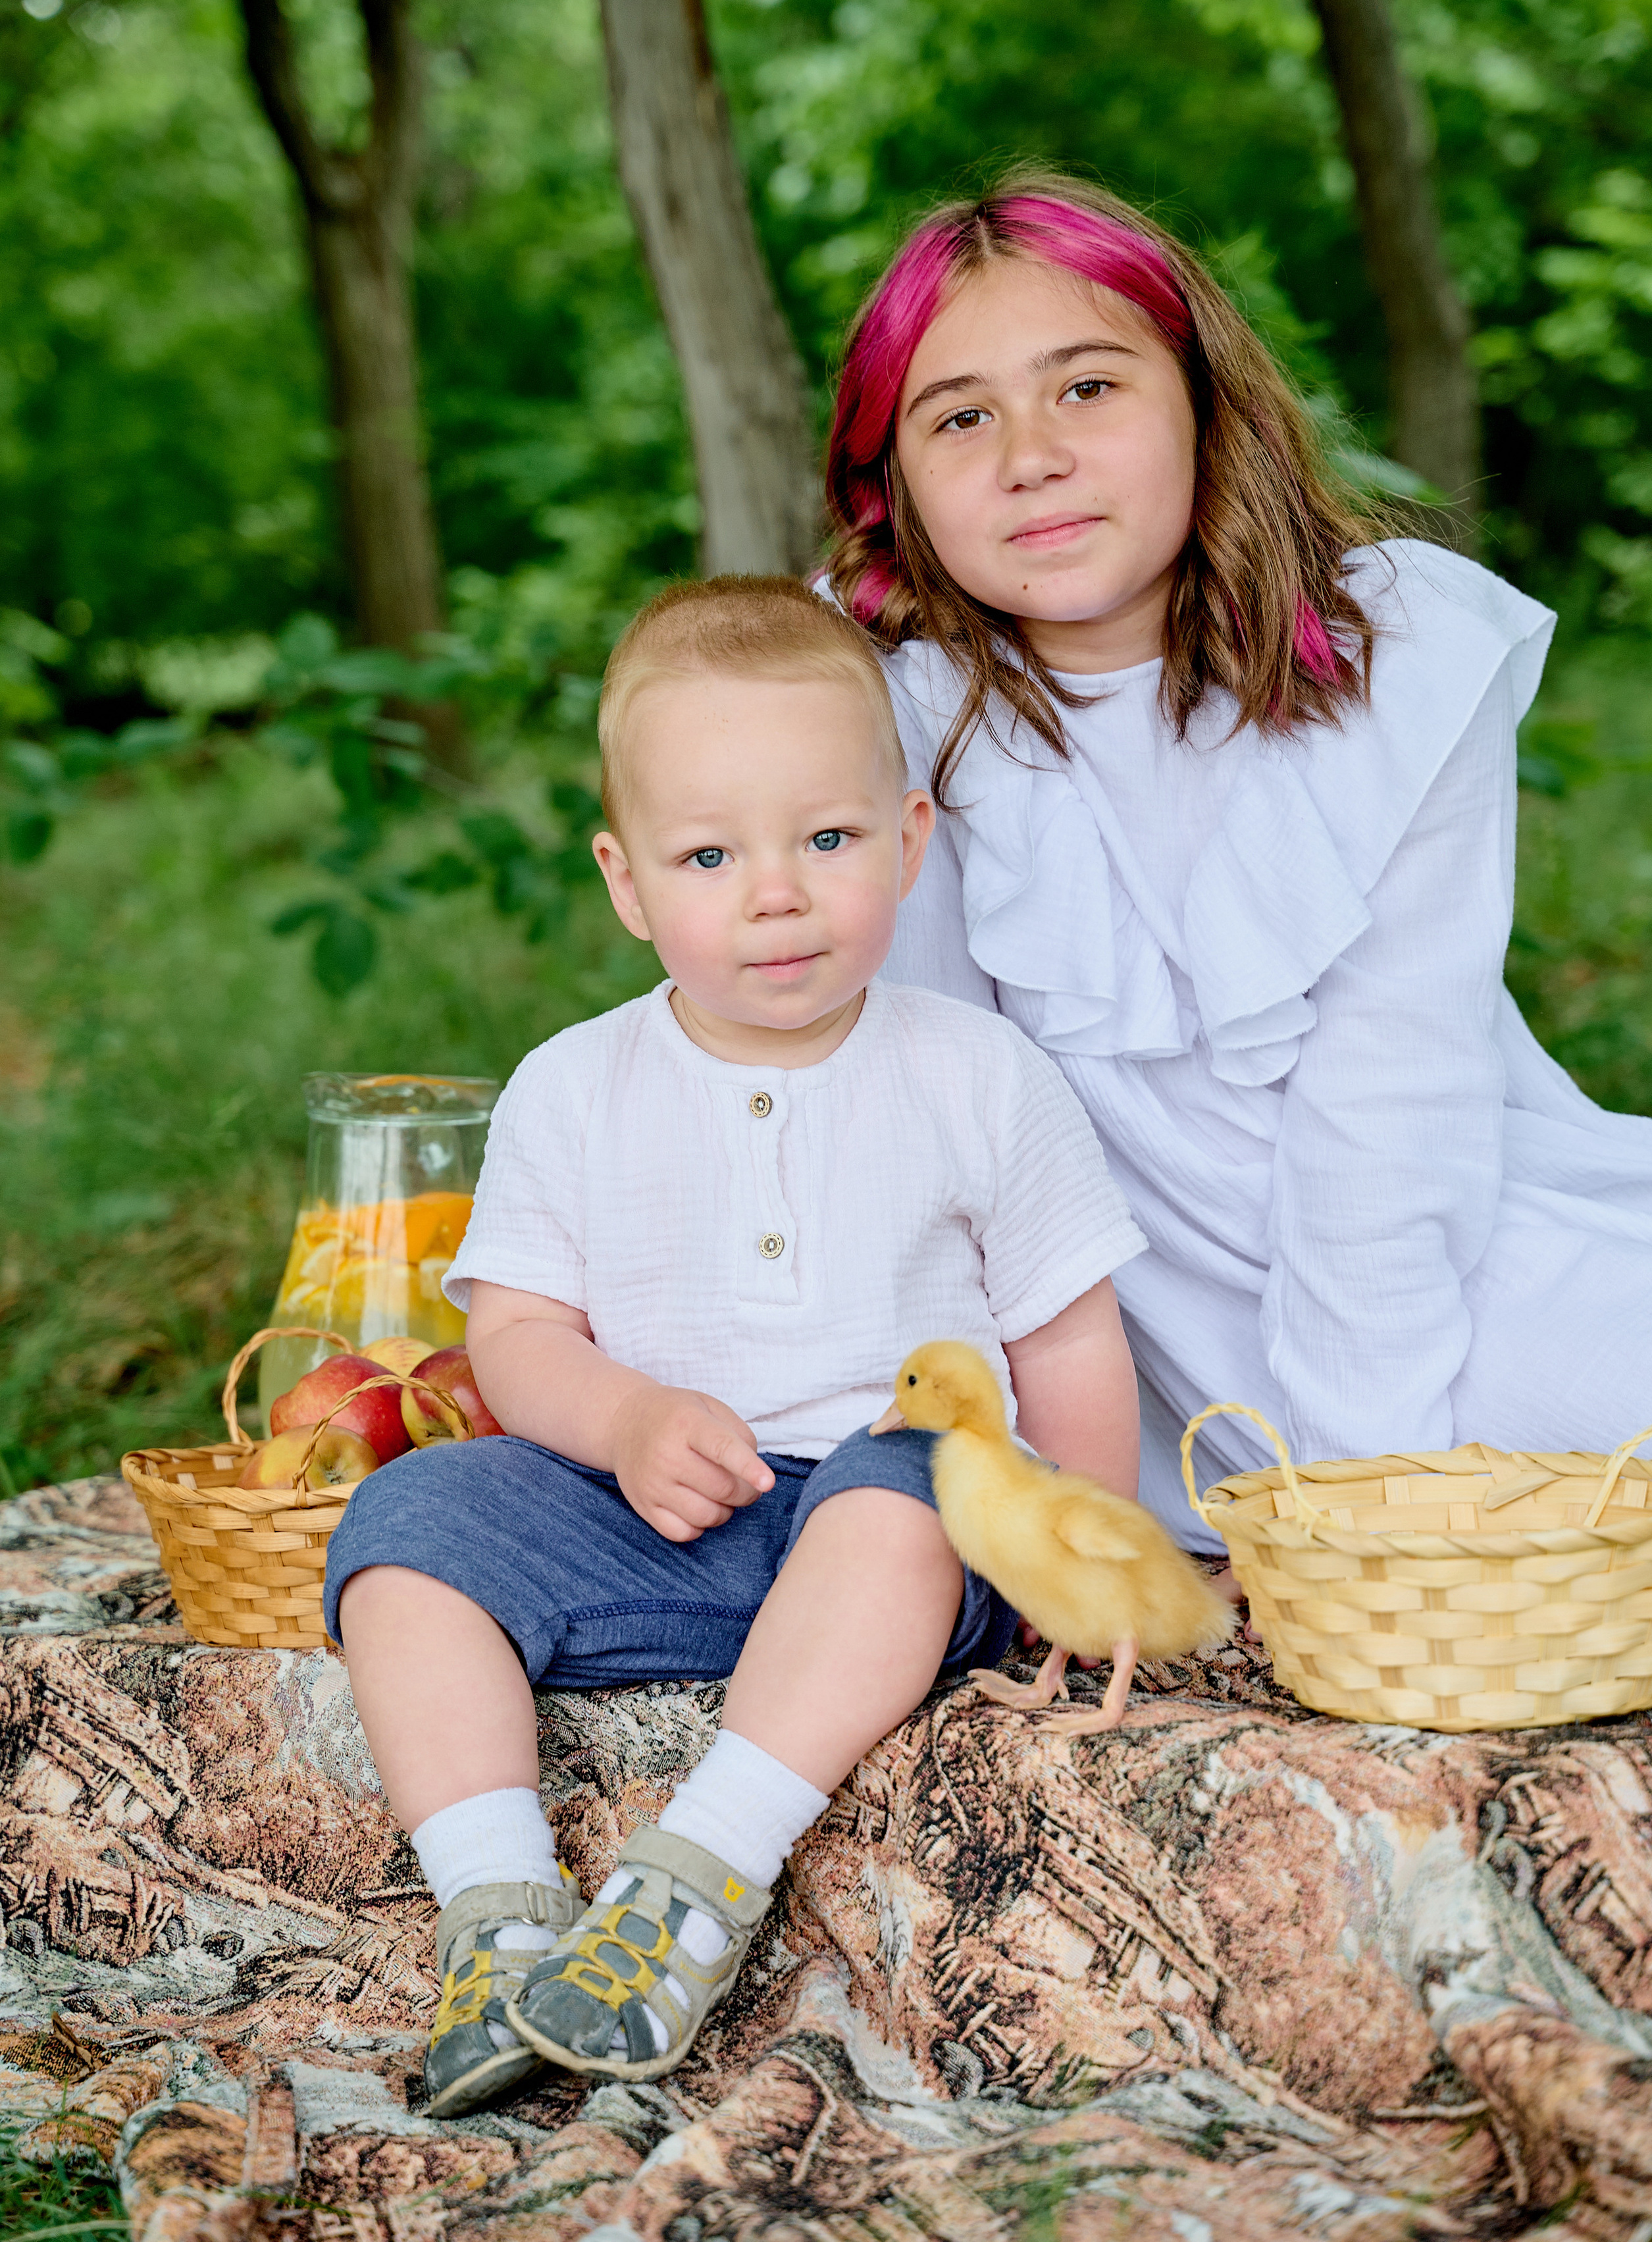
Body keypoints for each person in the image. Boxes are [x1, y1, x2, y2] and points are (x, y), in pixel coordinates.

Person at [325, 575, 1146, 2118]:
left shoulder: (979, 1074)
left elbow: (1067, 1333)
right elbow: (511, 1335)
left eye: (826, 840)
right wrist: (624, 1417)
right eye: (710, 855)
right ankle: (497, 1918)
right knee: (410, 1523)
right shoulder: (569, 1087)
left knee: (913, 1483)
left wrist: (1078, 1553)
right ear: (627, 882)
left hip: (884, 1536)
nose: (776, 893)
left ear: (907, 840)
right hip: (651, 1513)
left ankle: (691, 1883)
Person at [823, 169, 1652, 1551]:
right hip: (1123, 1348)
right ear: (895, 484)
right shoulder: (886, 706)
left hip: (1430, 1266)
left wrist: (1363, 1482)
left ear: (1199, 402)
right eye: (959, 416)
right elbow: (911, 1104)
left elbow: (1388, 1112)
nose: (1027, 454)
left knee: (1635, 1395)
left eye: (1086, 387)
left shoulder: (1389, 661)